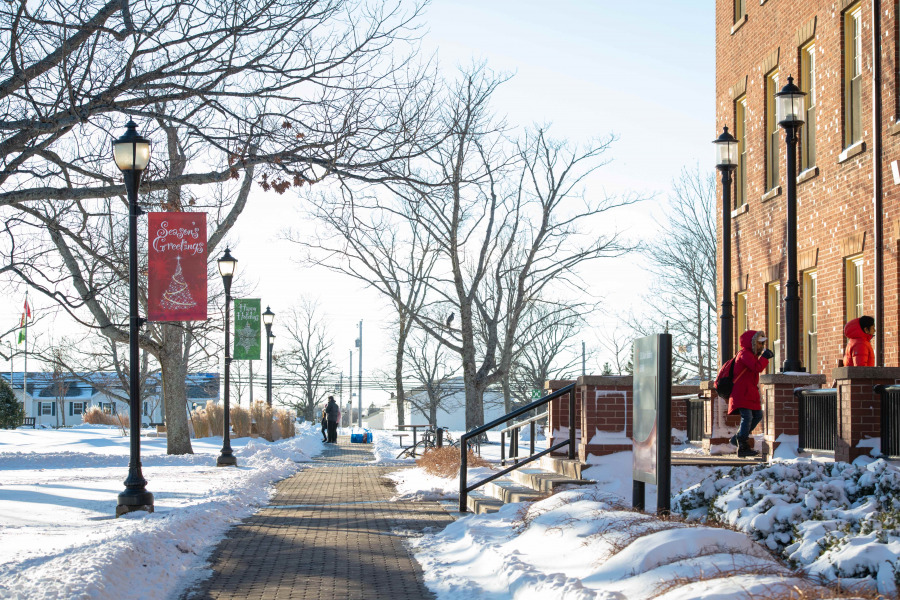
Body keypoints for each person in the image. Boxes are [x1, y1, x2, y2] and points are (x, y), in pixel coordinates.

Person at [728, 330, 775, 457]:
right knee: (747, 417)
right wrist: (764, 357)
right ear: (752, 343)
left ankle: (737, 438)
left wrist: (762, 357)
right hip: (742, 392)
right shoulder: (744, 354)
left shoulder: (751, 355)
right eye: (759, 343)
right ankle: (742, 445)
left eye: (762, 343)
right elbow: (757, 367)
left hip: (749, 392)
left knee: (758, 415)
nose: (762, 346)